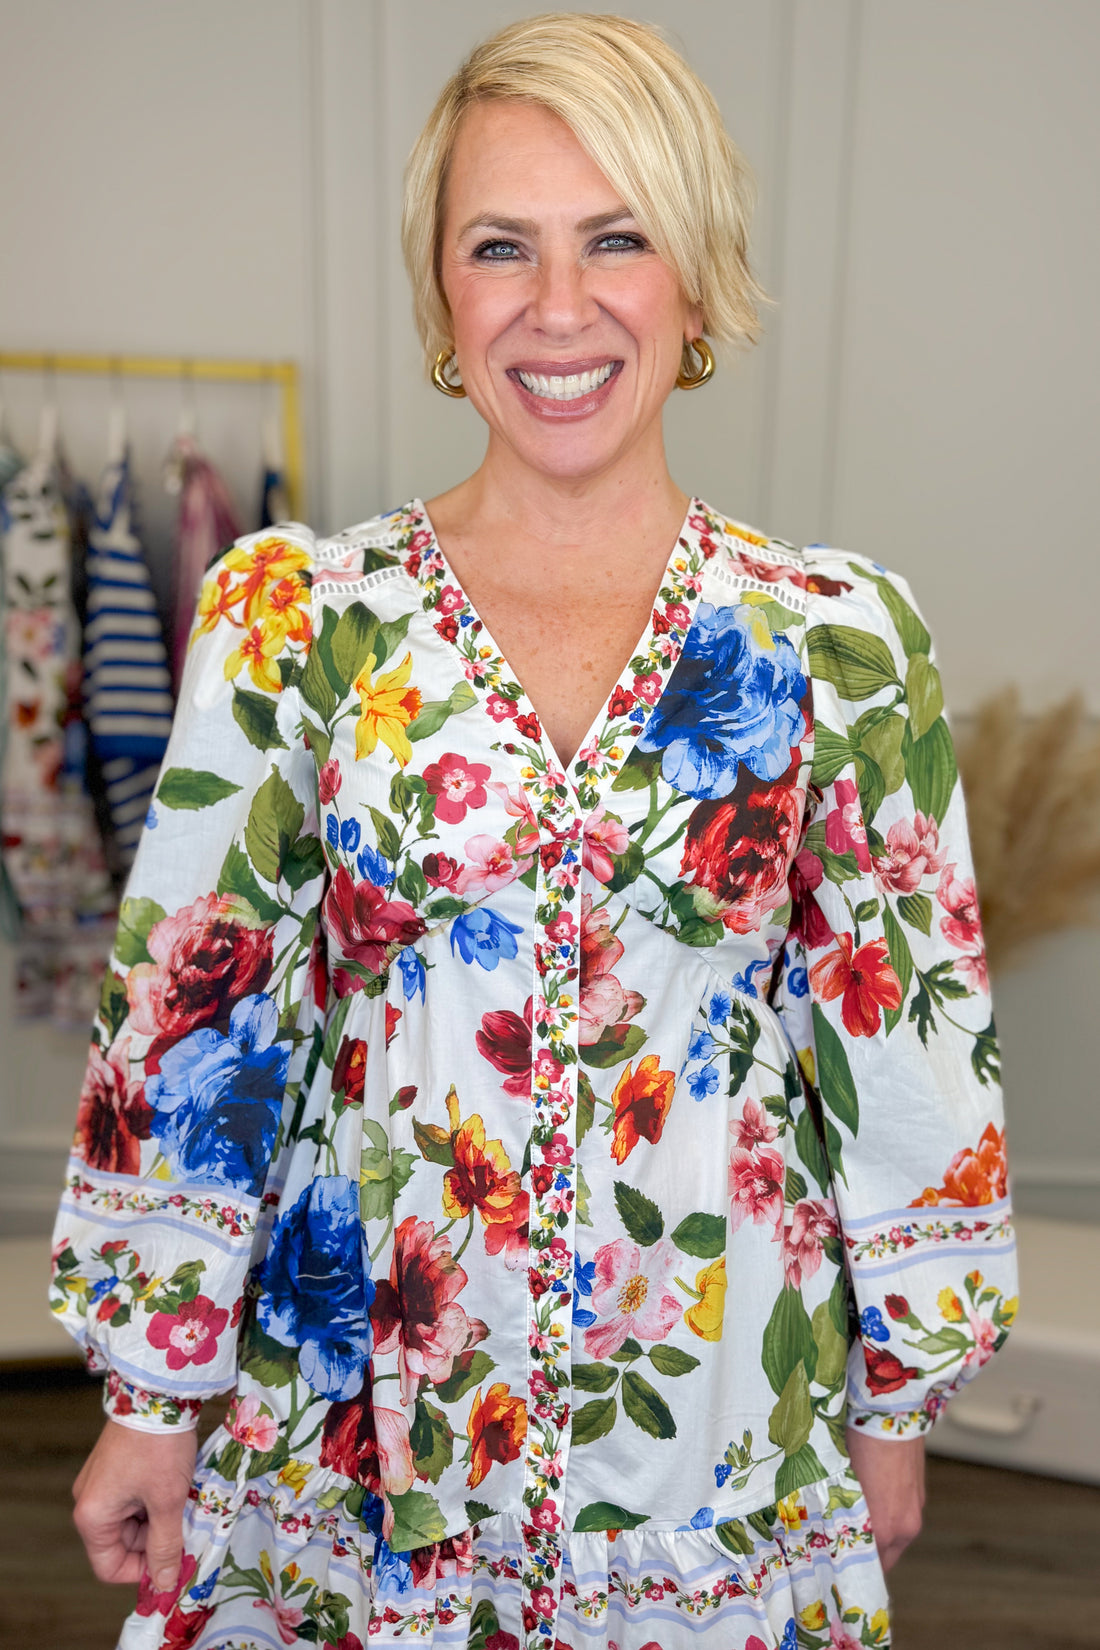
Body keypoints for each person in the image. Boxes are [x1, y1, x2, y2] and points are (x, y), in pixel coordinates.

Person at [54, 14, 1016, 1649]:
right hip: (358, 1431)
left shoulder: (840, 640)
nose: (559, 307)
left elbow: (903, 1045)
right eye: (501, 246)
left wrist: (899, 1399)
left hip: (721, 1438)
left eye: (617, 238)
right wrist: (153, 1389)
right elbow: (200, 1021)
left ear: (697, 278)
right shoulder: (298, 618)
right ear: (443, 292)